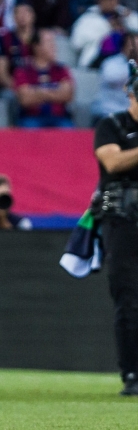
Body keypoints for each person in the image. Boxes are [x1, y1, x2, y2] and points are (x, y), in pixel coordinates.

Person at [92, 72, 138, 396]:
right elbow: (113, 161)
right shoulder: (113, 125)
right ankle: (132, 372)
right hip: (122, 220)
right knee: (128, 297)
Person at [70, 0, 138, 69]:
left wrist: (126, 22)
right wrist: (108, 29)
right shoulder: (88, 18)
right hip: (97, 62)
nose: (112, 3)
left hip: (124, 62)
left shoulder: (124, 13)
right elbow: (77, 43)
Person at [14, 29, 75, 128]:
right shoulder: (23, 71)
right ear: (36, 46)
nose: (53, 46)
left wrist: (38, 92)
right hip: (31, 118)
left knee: (68, 130)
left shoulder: (61, 70)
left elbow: (67, 95)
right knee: (29, 129)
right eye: (48, 42)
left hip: (59, 118)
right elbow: (25, 99)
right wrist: (55, 92)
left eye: (53, 42)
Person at [93, 29, 138, 122]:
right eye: (132, 45)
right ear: (123, 47)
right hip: (109, 113)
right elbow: (111, 77)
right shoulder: (111, 62)